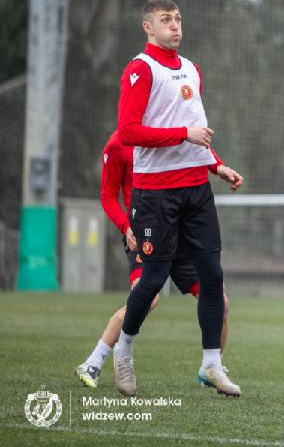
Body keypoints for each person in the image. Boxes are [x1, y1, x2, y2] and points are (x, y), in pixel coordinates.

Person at [111, 0, 244, 398]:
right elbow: (128, 132)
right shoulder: (140, 69)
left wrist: (216, 165)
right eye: (166, 20)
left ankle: (212, 364)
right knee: (152, 280)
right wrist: (183, 135)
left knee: (213, 276)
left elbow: (195, 128)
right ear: (148, 27)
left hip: (196, 190)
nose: (175, 26)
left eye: (179, 19)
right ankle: (123, 350)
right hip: (155, 194)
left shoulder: (191, 69)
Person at [75, 130, 237, 390]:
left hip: (180, 238)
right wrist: (126, 227)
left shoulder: (172, 132)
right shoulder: (118, 144)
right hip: (145, 234)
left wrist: (217, 166)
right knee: (148, 297)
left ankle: (211, 367)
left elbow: (197, 150)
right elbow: (108, 195)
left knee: (221, 301)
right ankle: (93, 362)